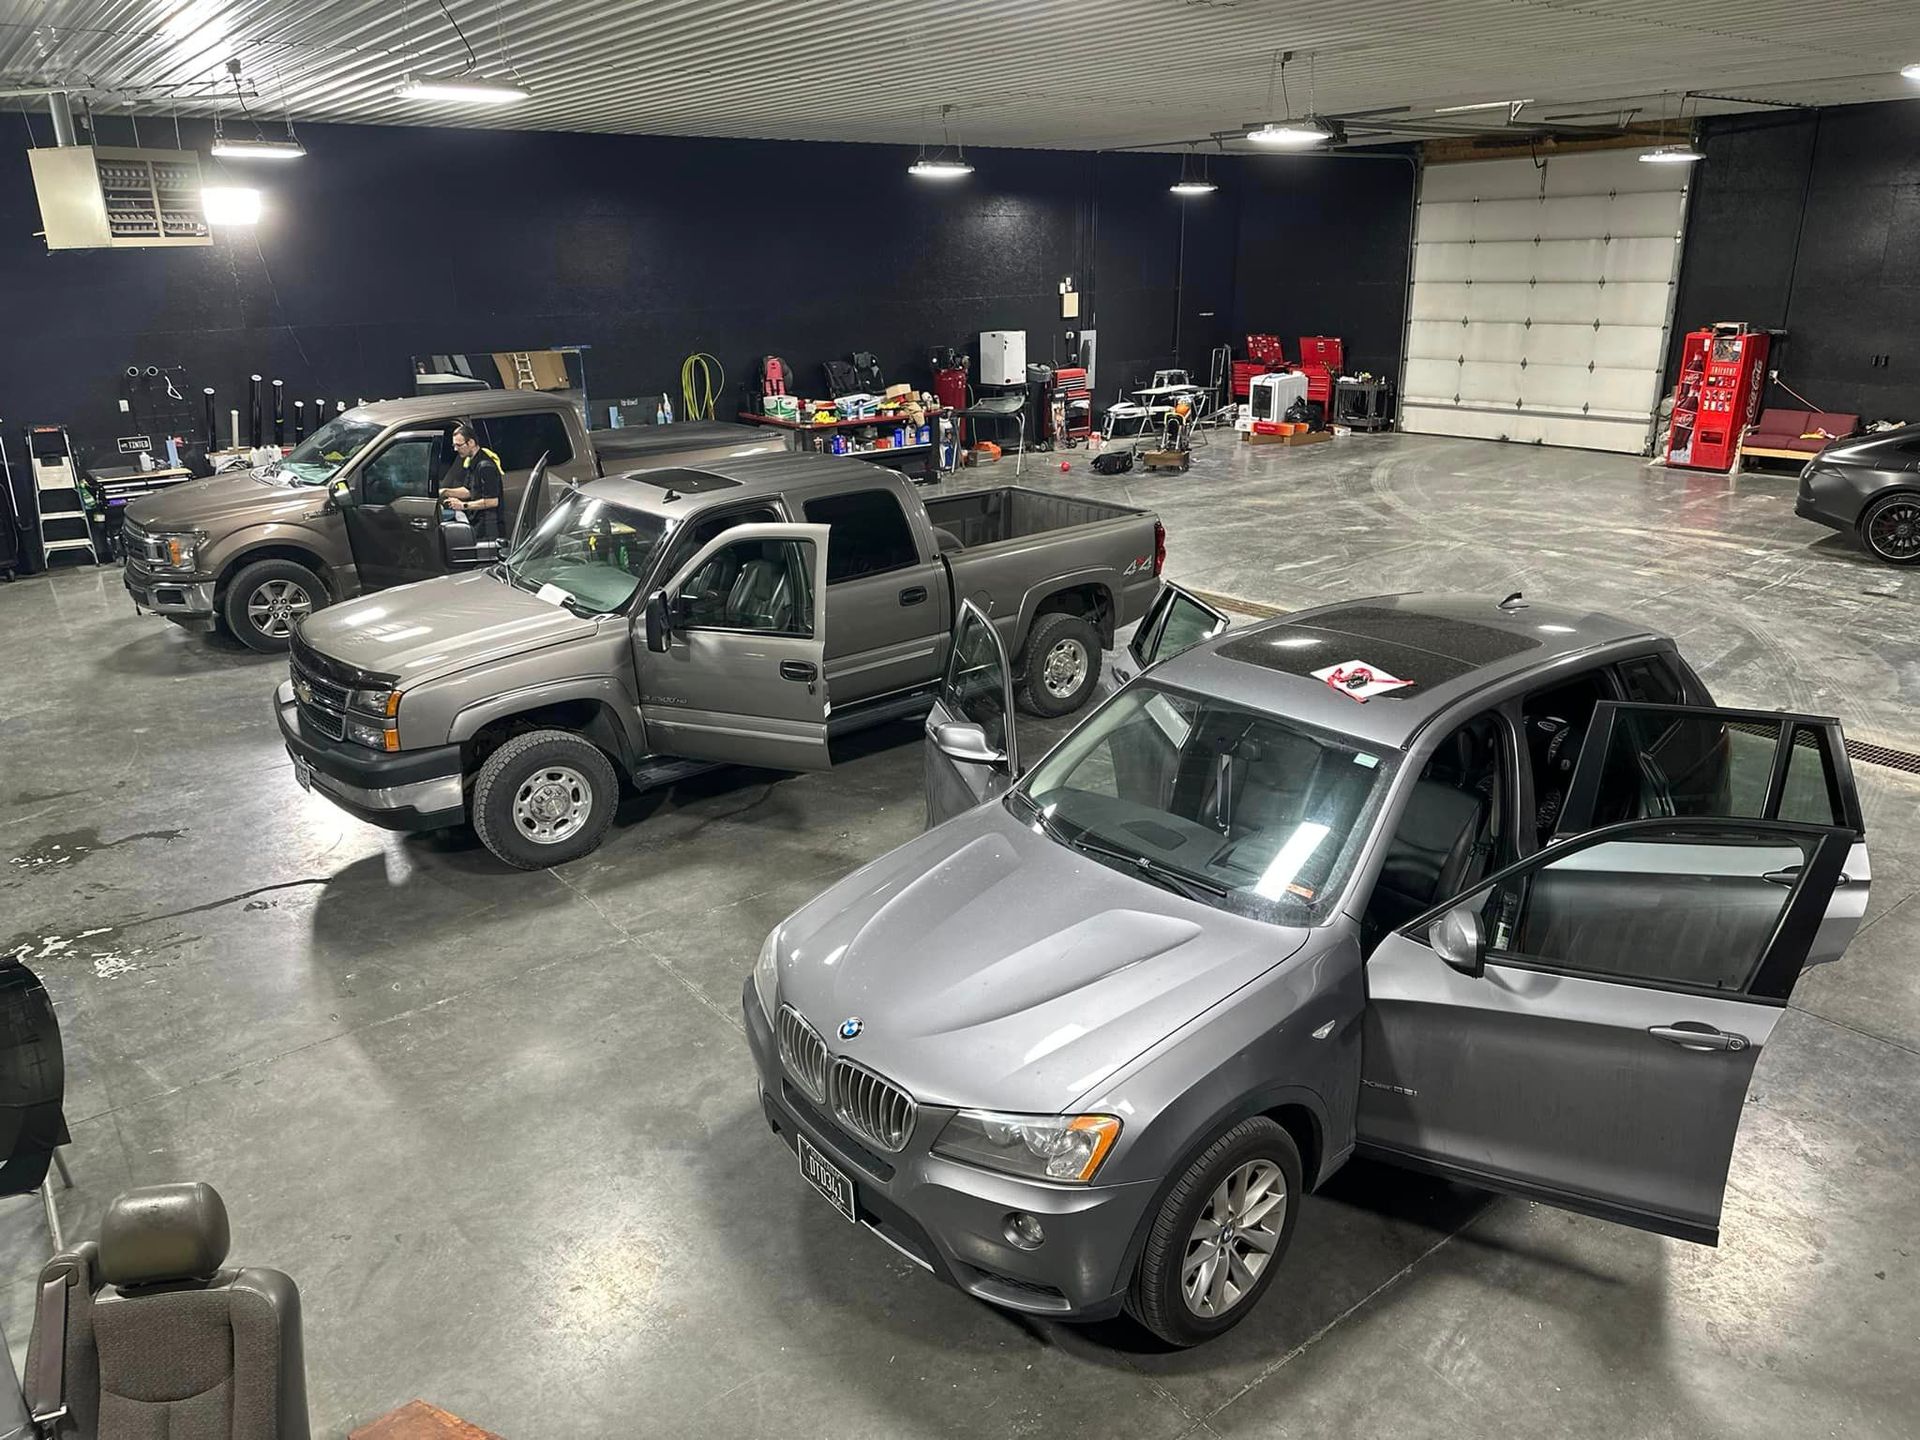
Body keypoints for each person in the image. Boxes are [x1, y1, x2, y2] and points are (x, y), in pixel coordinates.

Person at [439, 421, 505, 543]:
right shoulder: (472, 461)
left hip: (488, 528)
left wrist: (463, 505)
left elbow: (492, 501)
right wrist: (445, 492)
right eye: (454, 445)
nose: (456, 449)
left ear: (471, 442)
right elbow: (470, 491)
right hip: (476, 523)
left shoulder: (485, 466)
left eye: (459, 445)